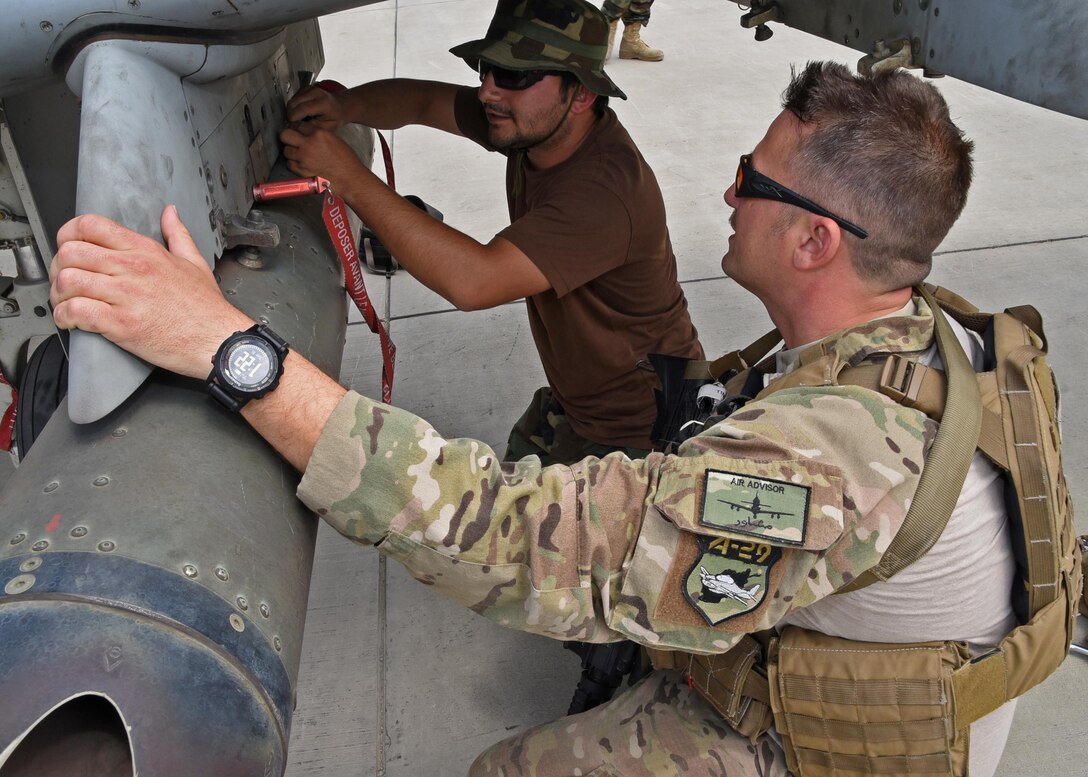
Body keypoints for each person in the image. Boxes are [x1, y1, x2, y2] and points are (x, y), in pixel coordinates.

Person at [49, 62, 1075, 777]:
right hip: (846, 645)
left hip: (836, 748)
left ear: (813, 241)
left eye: (751, 181)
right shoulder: (919, 337)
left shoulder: (829, 464)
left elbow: (514, 543)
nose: (724, 190)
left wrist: (231, 350)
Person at [280, 0, 702, 467]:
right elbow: (424, 101)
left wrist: (349, 176)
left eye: (516, 76)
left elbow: (475, 281)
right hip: (582, 404)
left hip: (643, 433)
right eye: (488, 69)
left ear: (581, 93)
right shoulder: (538, 126)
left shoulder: (603, 193)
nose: (487, 91)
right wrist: (346, 106)